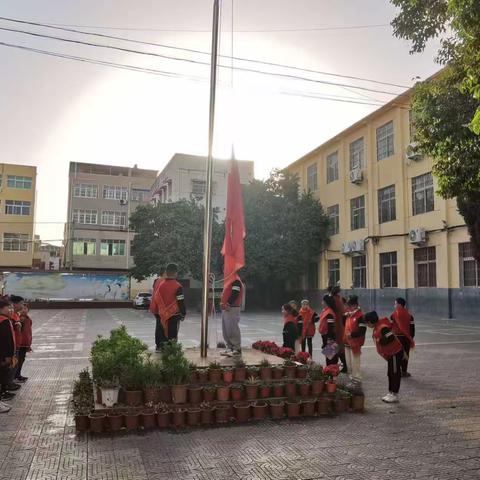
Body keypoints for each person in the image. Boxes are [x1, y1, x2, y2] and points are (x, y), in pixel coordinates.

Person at [364, 310, 404, 403]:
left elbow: (390, 336)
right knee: (390, 373)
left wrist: (380, 341)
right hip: (390, 354)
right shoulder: (378, 326)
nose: (367, 325)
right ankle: (391, 392)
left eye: (367, 323)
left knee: (395, 373)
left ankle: (395, 394)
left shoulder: (383, 327)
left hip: (395, 353)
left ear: (370, 322)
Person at [152, 263, 186, 349]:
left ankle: (161, 348)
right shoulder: (178, 286)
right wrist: (183, 313)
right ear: (175, 273)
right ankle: (172, 352)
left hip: (162, 315)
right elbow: (180, 301)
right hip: (174, 316)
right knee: (173, 335)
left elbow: (156, 299)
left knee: (163, 333)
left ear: (166, 272)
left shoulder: (161, 285)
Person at [390, 297, 415, 377]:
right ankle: (404, 371)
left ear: (399, 305)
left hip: (396, 338)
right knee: (405, 355)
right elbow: (412, 328)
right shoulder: (410, 316)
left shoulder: (393, 315)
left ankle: (396, 371)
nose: (394, 305)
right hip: (406, 338)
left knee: (396, 355)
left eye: (395, 303)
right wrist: (410, 338)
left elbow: (391, 327)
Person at [220, 275, 244, 357]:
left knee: (232, 329)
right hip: (226, 308)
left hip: (231, 308)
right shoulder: (229, 279)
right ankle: (230, 348)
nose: (224, 270)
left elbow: (235, 293)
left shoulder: (235, 280)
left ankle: (237, 349)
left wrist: (228, 303)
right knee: (226, 330)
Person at [343, 295, 366, 380]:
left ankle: (356, 377)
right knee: (349, 363)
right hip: (347, 342)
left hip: (355, 343)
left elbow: (362, 331)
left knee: (355, 362)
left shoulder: (360, 316)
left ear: (355, 305)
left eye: (350, 306)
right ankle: (351, 375)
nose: (349, 308)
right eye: (348, 306)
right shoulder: (349, 314)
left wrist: (352, 335)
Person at [0, 299, 15, 412]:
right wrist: (8, 356)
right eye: (8, 308)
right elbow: (6, 341)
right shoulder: (3, 321)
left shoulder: (6, 320)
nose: (10, 310)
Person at [329, 286, 348, 373]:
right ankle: (340, 365)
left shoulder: (333, 300)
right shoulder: (338, 299)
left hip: (335, 326)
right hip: (338, 326)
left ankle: (332, 367)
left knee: (334, 346)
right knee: (337, 346)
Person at [150, 267, 167, 351]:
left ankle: (158, 345)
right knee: (162, 327)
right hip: (161, 308)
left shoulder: (156, 281)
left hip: (156, 308)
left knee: (159, 326)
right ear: (164, 273)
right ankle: (162, 344)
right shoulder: (163, 281)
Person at [15, 302, 32, 382]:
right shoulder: (18, 319)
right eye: (22, 309)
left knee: (21, 360)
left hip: (25, 344)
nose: (24, 310)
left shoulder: (28, 319)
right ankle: (15, 376)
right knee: (18, 360)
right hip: (19, 344)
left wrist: (29, 344)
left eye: (25, 308)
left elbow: (28, 332)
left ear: (28, 309)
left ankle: (18, 374)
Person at [319, 295, 338, 365]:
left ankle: (332, 372)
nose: (321, 302)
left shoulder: (329, 312)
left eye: (322, 301)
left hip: (329, 336)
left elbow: (330, 327)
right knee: (329, 356)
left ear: (325, 302)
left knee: (331, 357)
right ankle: (330, 371)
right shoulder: (325, 311)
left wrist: (329, 339)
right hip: (326, 336)